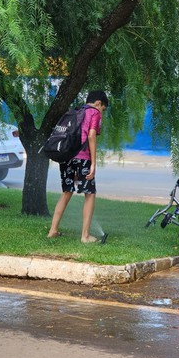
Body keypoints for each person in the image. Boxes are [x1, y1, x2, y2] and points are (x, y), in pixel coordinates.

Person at [47, 90, 109, 243]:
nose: (102, 112)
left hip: (67, 157)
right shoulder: (94, 113)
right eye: (103, 109)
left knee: (67, 192)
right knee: (90, 194)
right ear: (98, 103)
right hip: (83, 158)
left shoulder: (74, 112)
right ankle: (85, 236)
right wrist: (93, 163)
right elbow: (91, 135)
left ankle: (53, 230)